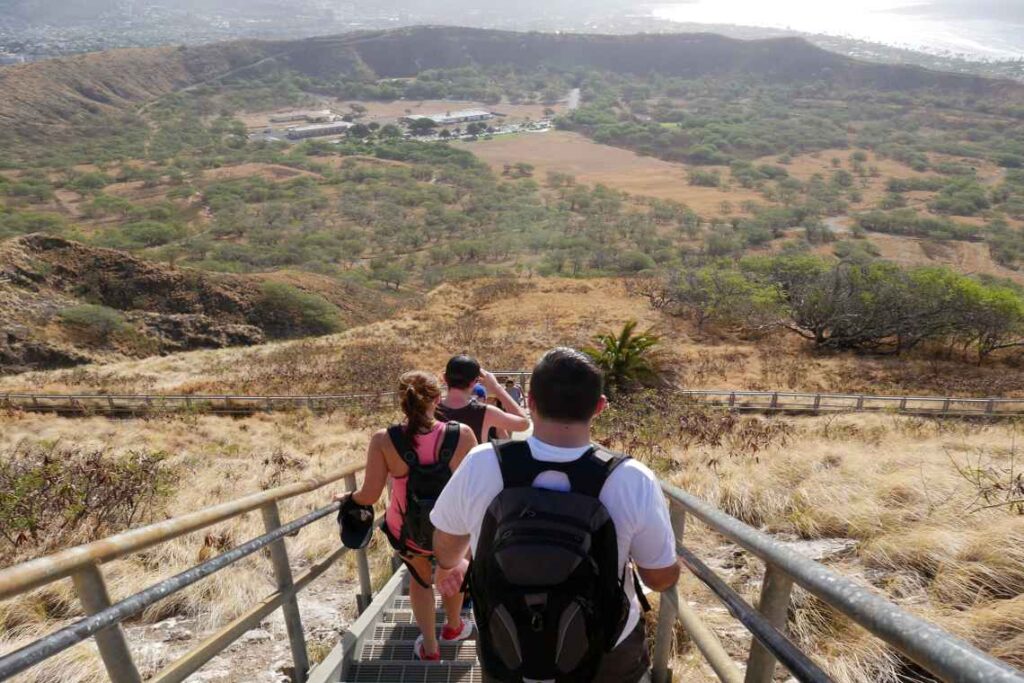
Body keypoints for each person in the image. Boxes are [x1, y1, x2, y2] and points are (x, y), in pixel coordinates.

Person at [430, 348, 679, 683]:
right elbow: (658, 578)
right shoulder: (632, 478)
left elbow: (445, 546)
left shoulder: (481, 463)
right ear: (599, 406)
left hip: (507, 646)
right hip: (605, 655)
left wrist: (451, 565)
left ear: (530, 401)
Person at [334, 370, 478, 661]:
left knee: (421, 581)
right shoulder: (462, 434)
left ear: (402, 401)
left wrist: (347, 498)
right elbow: (475, 487)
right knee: (450, 570)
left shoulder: (384, 439)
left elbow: (370, 495)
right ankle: (453, 627)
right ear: (438, 398)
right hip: (452, 527)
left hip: (407, 530)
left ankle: (430, 648)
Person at [436, 354, 530, 443]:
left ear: (444, 378)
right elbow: (524, 424)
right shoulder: (486, 412)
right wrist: (496, 387)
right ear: (475, 381)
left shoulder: (429, 411)